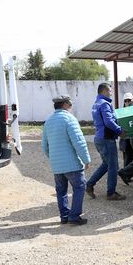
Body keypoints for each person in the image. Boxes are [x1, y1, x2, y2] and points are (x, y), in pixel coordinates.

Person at [42, 95, 91, 225]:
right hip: (72, 164)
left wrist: (53, 159)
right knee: (79, 187)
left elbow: (45, 146)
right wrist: (86, 159)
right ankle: (74, 216)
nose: (71, 105)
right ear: (64, 104)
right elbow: (79, 142)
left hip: (57, 166)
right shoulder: (70, 119)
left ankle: (64, 216)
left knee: (61, 191)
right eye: (69, 103)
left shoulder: (48, 121)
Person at [86, 83, 126, 200]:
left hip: (99, 138)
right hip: (106, 139)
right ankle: (111, 193)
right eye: (109, 90)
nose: (111, 92)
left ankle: (89, 184)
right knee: (113, 165)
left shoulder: (96, 103)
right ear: (103, 91)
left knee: (106, 164)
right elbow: (108, 121)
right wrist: (119, 130)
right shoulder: (104, 104)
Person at [119, 92, 133, 170]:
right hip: (125, 138)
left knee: (131, 156)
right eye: (125, 101)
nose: (127, 102)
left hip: (132, 137)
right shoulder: (122, 112)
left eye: (129, 100)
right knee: (127, 156)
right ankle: (126, 173)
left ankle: (127, 172)